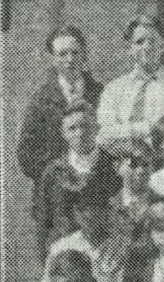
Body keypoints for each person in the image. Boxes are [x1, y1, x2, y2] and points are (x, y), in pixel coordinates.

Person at [17, 24, 103, 189]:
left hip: (95, 189)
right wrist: (57, 177)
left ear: (84, 55)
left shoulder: (102, 94)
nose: (70, 59)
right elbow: (26, 153)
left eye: (75, 52)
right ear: (53, 59)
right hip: (54, 195)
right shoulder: (40, 101)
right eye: (62, 54)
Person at [33, 100, 117, 260]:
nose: (79, 133)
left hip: (107, 256)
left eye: (85, 126)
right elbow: (44, 221)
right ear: (63, 133)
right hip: (65, 257)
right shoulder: (53, 172)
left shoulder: (113, 166)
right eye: (72, 128)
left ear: (97, 128)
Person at [96, 14, 164, 147]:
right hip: (121, 163)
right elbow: (104, 134)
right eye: (139, 42)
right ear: (129, 49)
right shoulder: (113, 90)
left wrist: (125, 130)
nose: (147, 47)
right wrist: (148, 128)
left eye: (152, 41)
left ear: (163, 46)